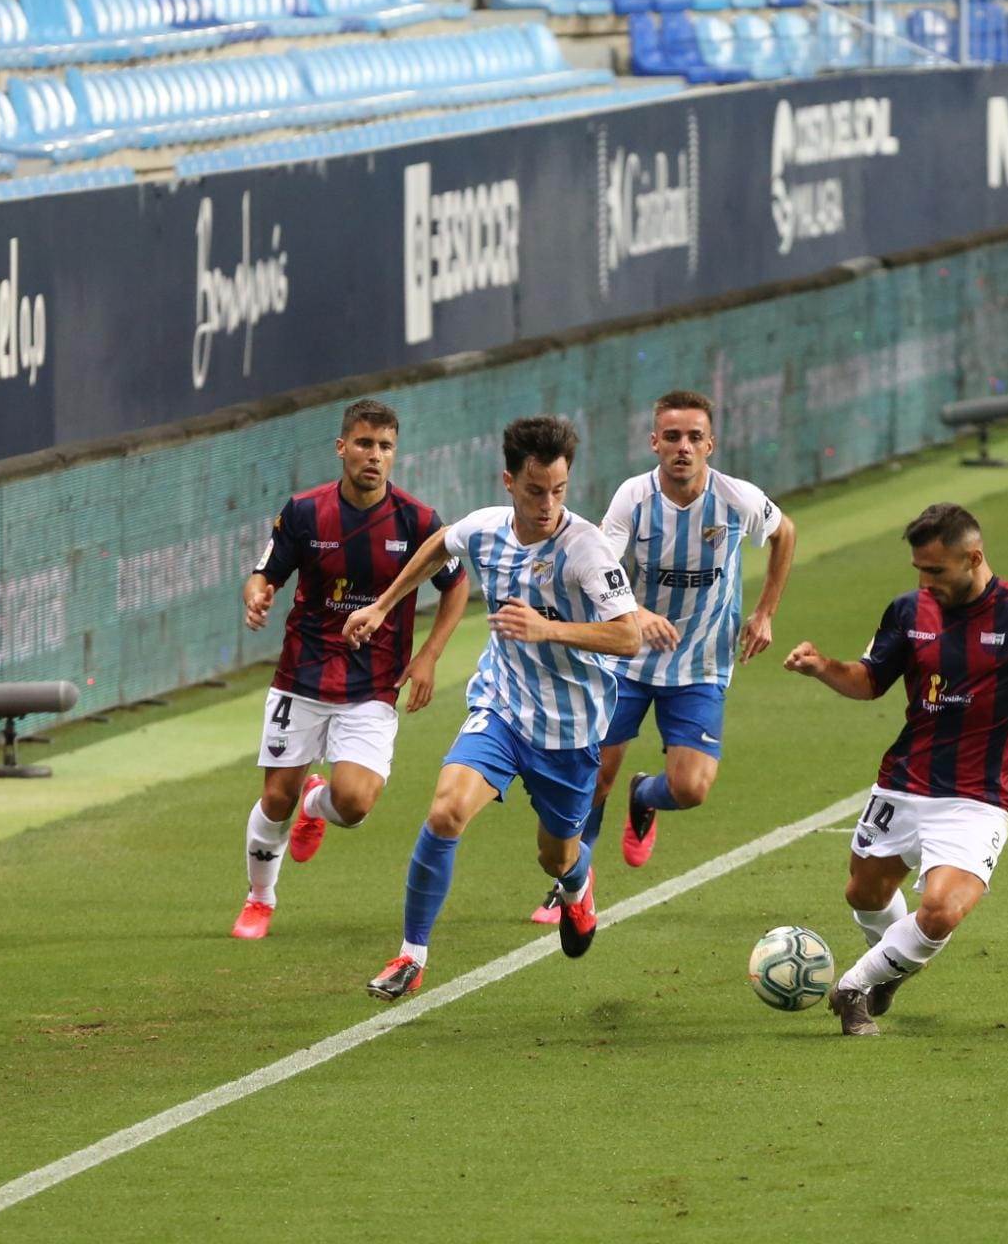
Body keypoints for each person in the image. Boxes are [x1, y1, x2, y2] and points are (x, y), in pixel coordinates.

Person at [783, 503, 1008, 1036]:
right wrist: (822, 668)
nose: (924, 582)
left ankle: (855, 987)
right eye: (918, 570)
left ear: (973, 558)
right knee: (863, 895)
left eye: (935, 570)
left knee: (941, 910)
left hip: (974, 798)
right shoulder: (908, 611)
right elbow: (869, 681)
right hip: (903, 782)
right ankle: (891, 966)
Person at [343, 415, 641, 1001]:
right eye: (535, 491)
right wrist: (382, 606)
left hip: (570, 730)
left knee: (554, 856)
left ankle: (577, 886)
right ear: (509, 481)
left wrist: (547, 630)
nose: (548, 504)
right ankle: (411, 955)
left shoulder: (586, 549)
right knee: (447, 810)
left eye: (559, 490)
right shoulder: (486, 529)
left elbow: (629, 636)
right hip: (502, 708)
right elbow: (441, 544)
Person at [526, 390, 797, 922]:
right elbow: (598, 562)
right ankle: (573, 883)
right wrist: (635, 613)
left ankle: (645, 797)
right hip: (628, 660)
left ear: (710, 444)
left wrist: (765, 612)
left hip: (700, 663)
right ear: (654, 442)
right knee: (595, 774)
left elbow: (785, 533)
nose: (683, 446)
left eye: (694, 436)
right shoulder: (634, 498)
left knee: (690, 788)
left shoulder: (737, 499)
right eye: (672, 436)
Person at [231, 398, 471, 940]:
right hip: (303, 675)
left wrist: (429, 655)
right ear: (342, 448)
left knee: (356, 803)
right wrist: (256, 596)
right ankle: (259, 899)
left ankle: (320, 803)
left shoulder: (418, 522)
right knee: (275, 799)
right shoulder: (303, 513)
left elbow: (457, 587)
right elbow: (263, 574)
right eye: (364, 444)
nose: (374, 456)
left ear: (395, 453)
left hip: (373, 683)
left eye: (385, 446)